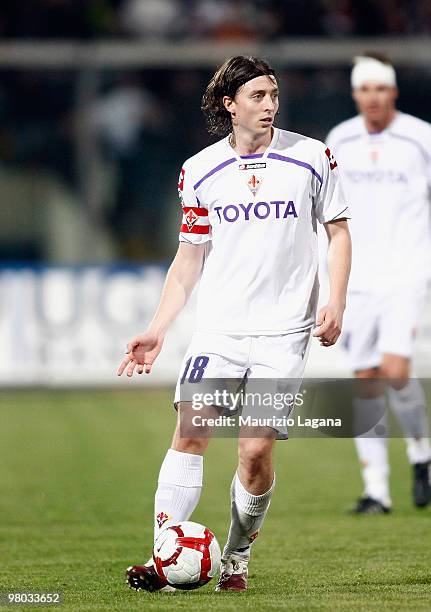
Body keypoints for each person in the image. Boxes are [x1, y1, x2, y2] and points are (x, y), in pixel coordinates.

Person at [117, 55, 351, 592]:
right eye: (257, 96)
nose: (269, 105)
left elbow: (338, 232)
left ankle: (237, 556)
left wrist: (335, 300)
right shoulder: (198, 170)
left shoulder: (313, 157)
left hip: (284, 333)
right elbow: (189, 258)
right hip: (219, 331)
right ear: (230, 104)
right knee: (191, 432)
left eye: (273, 95)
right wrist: (158, 328)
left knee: (254, 452)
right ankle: (163, 558)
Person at [327, 53, 431, 514]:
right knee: (365, 380)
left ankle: (421, 453)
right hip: (358, 278)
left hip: (407, 271)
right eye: (365, 89)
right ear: (355, 94)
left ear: (394, 92)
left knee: (395, 370)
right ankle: (377, 491)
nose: (373, 97)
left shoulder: (420, 138)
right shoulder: (340, 140)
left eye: (381, 89)